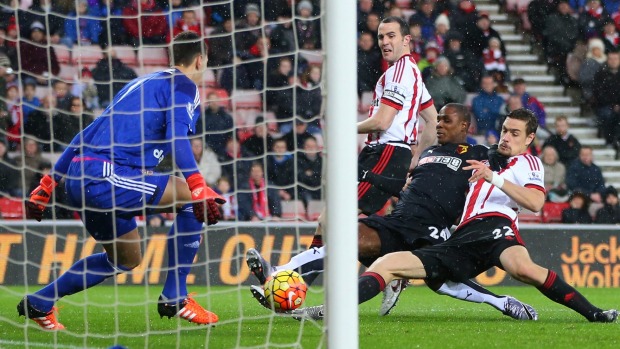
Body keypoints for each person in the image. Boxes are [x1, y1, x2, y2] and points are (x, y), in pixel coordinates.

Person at [293, 108, 618, 323]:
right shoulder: (482, 157)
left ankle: (594, 314)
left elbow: (535, 202)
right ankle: (334, 310)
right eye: (504, 130)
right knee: (387, 265)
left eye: (515, 133)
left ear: (529, 139)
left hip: (496, 231)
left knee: (525, 269)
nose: (506, 137)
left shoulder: (528, 164)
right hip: (459, 239)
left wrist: (494, 178)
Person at [247, 104, 538, 320]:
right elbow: (406, 186)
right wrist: (369, 176)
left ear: (464, 127)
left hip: (433, 230)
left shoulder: (479, 154)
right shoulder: (426, 154)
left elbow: (513, 157)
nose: (438, 124)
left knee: (444, 284)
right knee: (349, 238)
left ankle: (501, 301)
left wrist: (517, 141)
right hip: (401, 220)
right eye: (437, 119)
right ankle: (280, 273)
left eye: (446, 120)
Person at [17, 32, 226, 330]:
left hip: (78, 177)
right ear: (199, 59)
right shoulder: (184, 86)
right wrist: (196, 182)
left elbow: (84, 135)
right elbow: (177, 136)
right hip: (107, 176)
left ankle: (40, 302)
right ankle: (175, 296)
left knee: (125, 260)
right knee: (195, 201)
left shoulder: (138, 84)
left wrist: (49, 183)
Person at [246, 15, 439, 312]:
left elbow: (383, 121)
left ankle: (282, 272)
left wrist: (344, 127)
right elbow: (432, 122)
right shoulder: (407, 72)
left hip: (386, 153)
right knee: (327, 218)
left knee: (337, 220)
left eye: (390, 36)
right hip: (382, 154)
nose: (384, 42)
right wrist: (415, 162)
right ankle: (383, 274)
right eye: (380, 37)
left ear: (406, 40)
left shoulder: (401, 73)